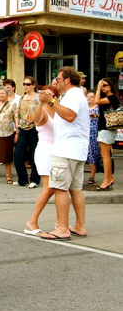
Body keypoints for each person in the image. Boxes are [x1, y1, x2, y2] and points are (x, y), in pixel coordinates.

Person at [38, 67, 89, 240]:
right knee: (75, 189)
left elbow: (69, 116)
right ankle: (80, 226)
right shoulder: (75, 95)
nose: (56, 81)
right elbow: (60, 116)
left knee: (60, 188)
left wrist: (51, 102)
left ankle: (63, 228)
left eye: (58, 79)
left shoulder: (74, 94)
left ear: (67, 80)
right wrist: (47, 102)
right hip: (76, 149)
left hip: (67, 149)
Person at [25, 85, 57, 235]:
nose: (47, 96)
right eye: (44, 94)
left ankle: (60, 222)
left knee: (59, 188)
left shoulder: (58, 109)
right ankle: (32, 221)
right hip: (45, 151)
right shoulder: (42, 109)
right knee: (49, 188)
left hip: (59, 151)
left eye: (50, 94)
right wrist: (41, 103)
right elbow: (36, 120)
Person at [14, 76, 41, 188]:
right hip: (23, 127)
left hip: (35, 128)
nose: (25, 86)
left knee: (34, 154)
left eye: (28, 84)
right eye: (24, 84)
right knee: (18, 154)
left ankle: (35, 179)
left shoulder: (39, 98)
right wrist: (17, 123)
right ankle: (22, 179)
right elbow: (18, 112)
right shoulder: (22, 98)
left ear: (34, 85)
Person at [94, 77, 120, 191]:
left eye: (105, 85)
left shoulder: (112, 97)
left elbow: (96, 101)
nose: (102, 87)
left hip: (107, 128)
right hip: (105, 128)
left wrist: (98, 89)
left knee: (105, 156)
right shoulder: (109, 97)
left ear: (110, 86)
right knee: (106, 155)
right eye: (102, 85)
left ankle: (107, 180)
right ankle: (109, 178)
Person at [86, 90, 100, 184]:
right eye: (88, 96)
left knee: (93, 155)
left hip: (94, 134)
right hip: (84, 133)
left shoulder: (98, 108)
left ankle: (92, 175)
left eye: (92, 97)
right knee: (86, 155)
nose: (89, 98)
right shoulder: (83, 107)